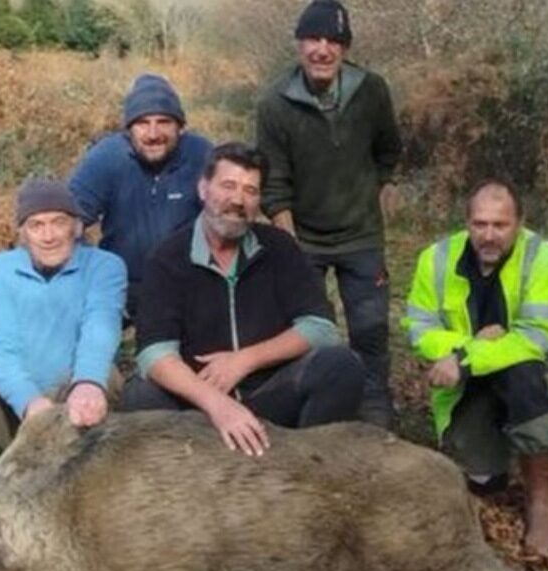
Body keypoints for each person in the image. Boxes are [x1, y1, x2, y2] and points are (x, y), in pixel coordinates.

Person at [121, 142, 365, 456]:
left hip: (270, 396)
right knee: (141, 396)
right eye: (228, 186)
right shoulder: (167, 258)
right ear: (203, 189)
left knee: (340, 365)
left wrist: (244, 360)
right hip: (197, 410)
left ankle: (310, 470)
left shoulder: (280, 248)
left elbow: (320, 328)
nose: (238, 200)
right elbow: (154, 354)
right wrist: (217, 404)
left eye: (250, 191)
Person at [402, 180, 548, 556]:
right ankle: (494, 453)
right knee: (483, 480)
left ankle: (543, 497)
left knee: (521, 369)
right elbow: (419, 331)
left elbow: (536, 337)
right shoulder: (434, 259)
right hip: (467, 385)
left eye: (500, 225)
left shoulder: (545, 258)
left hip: (527, 377)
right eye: (479, 224)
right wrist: (475, 347)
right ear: (466, 223)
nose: (489, 235)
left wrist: (467, 359)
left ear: (519, 223)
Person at [0, 178, 127, 494]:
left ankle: (79, 478)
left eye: (58, 223)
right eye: (36, 225)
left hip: (71, 408)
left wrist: (87, 382)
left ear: (76, 227)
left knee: (108, 375)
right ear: (23, 233)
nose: (48, 236)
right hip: (14, 408)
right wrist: (29, 402)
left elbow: (100, 327)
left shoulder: (105, 266)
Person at [255, 0, 403, 429]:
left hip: (361, 237)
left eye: (334, 41)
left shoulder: (371, 90)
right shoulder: (274, 104)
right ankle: (313, 413)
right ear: (299, 44)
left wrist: (375, 194)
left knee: (370, 330)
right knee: (305, 330)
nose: (323, 50)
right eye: (314, 39)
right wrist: (292, 247)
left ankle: (376, 415)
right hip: (305, 239)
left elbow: (388, 149)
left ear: (345, 48)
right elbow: (273, 182)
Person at [69, 73, 213, 321]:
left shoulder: (201, 154)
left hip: (185, 282)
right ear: (128, 129)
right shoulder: (108, 156)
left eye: (164, 121)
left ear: (181, 126)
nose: (153, 133)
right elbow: (67, 218)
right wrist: (91, 268)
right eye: (142, 123)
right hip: (119, 283)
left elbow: (228, 214)